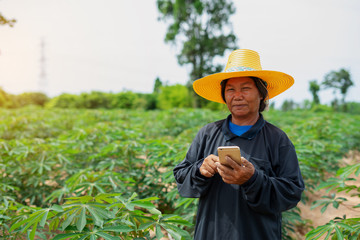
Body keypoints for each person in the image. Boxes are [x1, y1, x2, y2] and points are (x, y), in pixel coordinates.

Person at [173, 49, 305, 239]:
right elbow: (181, 175)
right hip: (211, 233)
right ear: (224, 96)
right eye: (231, 90)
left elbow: (291, 192)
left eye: (245, 88)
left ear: (261, 94)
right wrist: (200, 169)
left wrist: (252, 179)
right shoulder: (208, 134)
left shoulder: (278, 139)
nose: (237, 96)